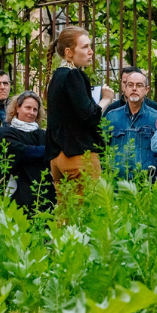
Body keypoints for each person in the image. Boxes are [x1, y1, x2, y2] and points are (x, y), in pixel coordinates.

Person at [45, 26, 115, 194]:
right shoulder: (73, 75)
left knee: (65, 215)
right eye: (85, 47)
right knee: (89, 212)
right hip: (78, 155)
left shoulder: (56, 76)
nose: (91, 51)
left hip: (57, 156)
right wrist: (106, 99)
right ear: (69, 52)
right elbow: (89, 115)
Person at [3, 91, 56, 213]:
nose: (31, 112)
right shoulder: (8, 132)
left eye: (35, 110)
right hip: (20, 191)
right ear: (17, 108)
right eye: (28, 108)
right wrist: (46, 150)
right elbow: (23, 152)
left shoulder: (43, 134)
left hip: (45, 193)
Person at [105, 71, 157, 179]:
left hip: (146, 183)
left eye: (139, 85)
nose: (134, 88)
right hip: (117, 183)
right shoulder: (112, 117)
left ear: (147, 90)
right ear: (125, 89)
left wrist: (153, 168)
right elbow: (102, 148)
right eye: (130, 85)